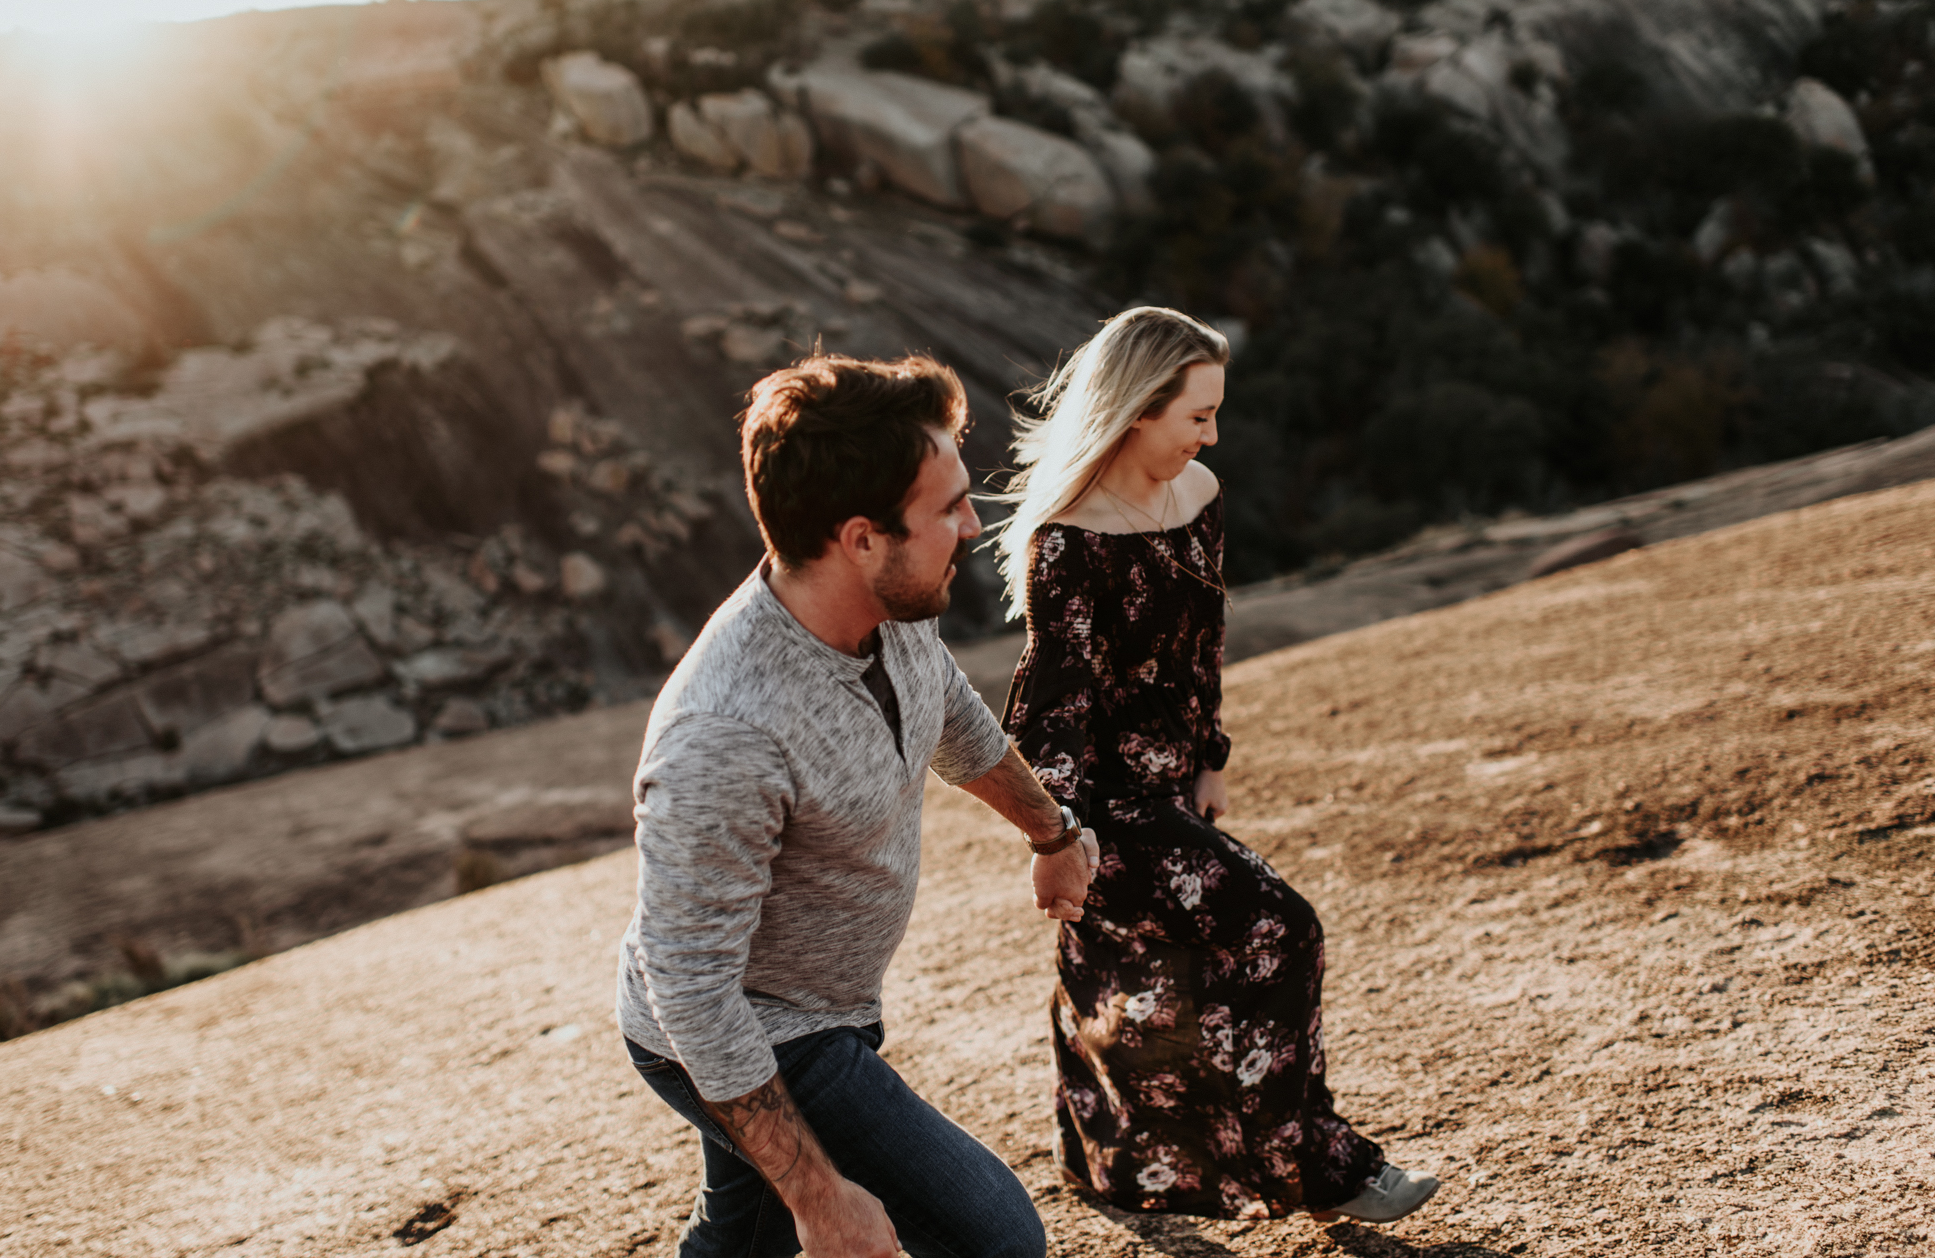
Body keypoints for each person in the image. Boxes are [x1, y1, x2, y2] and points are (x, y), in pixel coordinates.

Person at [616, 353, 1100, 1258]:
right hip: (756, 1028)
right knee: (995, 1239)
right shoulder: (725, 731)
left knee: (739, 1239)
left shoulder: (897, 607)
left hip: (818, 1002)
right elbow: (690, 986)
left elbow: (950, 715)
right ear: (861, 538)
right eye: (948, 507)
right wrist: (820, 1195)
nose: (971, 523)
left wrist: (1053, 830)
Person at [992, 307, 1440, 1223]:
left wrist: (1211, 758)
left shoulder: (1198, 493)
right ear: (1135, 410)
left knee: (1137, 979)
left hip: (1173, 788)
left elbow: (1205, 644)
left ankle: (1102, 1155)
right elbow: (1059, 698)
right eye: (1197, 414)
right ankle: (1325, 1167)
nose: (1212, 432)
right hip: (1105, 806)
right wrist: (1059, 836)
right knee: (1282, 930)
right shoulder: (1067, 541)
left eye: (1215, 413)